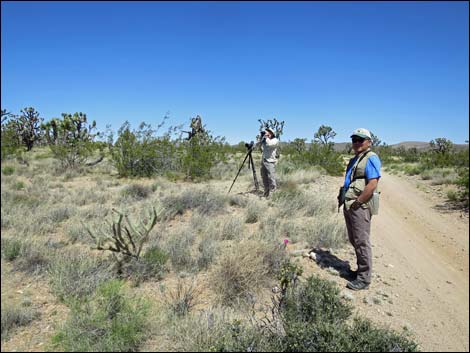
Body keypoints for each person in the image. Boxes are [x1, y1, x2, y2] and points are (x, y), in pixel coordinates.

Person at [342, 128, 381, 291]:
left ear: (369, 142)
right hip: (350, 204)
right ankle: (359, 271)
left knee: (361, 241)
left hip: (360, 206)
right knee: (354, 239)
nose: (357, 142)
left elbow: (372, 184)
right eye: (354, 139)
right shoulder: (355, 159)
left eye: (361, 139)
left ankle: (364, 279)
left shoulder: (371, 158)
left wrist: (358, 202)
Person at [259, 127, 279, 197]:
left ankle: (272, 194)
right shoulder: (265, 140)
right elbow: (260, 147)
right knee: (264, 177)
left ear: (272, 133)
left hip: (270, 162)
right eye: (266, 132)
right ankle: (266, 192)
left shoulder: (275, 140)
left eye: (268, 132)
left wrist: (266, 137)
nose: (267, 133)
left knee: (271, 178)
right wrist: (261, 138)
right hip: (263, 161)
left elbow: (270, 144)